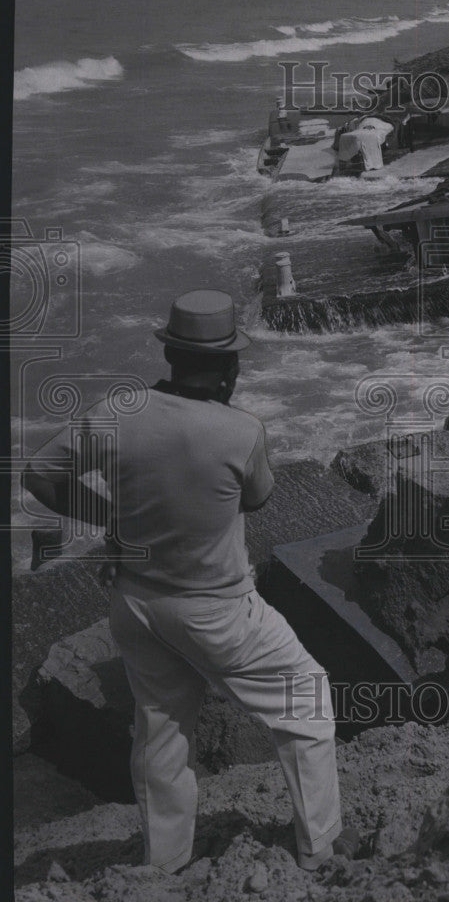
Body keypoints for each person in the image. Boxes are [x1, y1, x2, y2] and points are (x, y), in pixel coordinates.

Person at [22, 289, 356, 874]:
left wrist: (111, 522)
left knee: (161, 732)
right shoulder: (240, 430)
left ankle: (166, 864)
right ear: (230, 366)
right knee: (305, 697)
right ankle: (320, 845)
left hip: (136, 603)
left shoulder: (117, 411)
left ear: (171, 355)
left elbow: (41, 476)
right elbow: (259, 496)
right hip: (219, 612)